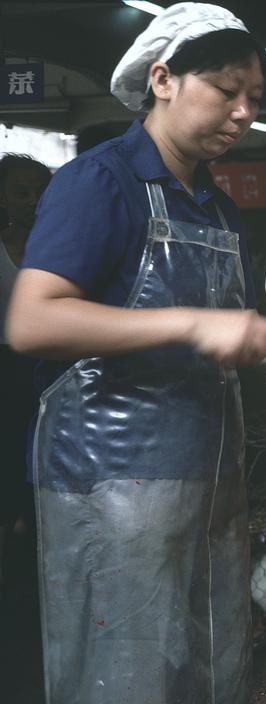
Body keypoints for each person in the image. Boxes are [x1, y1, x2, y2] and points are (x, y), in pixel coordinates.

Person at [5, 4, 266, 701]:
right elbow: (32, 320)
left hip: (209, 485)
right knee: (125, 677)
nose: (242, 112)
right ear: (163, 78)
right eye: (226, 90)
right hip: (113, 486)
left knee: (208, 667)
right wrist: (191, 325)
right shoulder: (98, 181)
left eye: (255, 100)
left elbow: (208, 337)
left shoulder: (213, 205)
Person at [0, 155, 50, 578]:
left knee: (39, 449)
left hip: (45, 364)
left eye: (39, 191)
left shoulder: (57, 245)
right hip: (3, 367)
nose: (32, 201)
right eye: (20, 192)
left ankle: (31, 527)